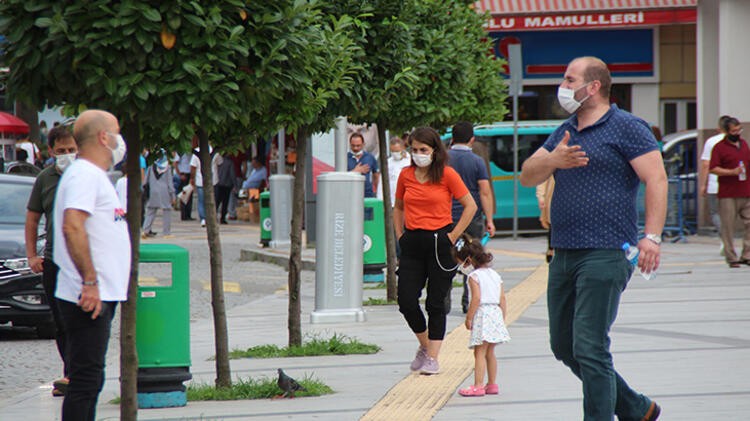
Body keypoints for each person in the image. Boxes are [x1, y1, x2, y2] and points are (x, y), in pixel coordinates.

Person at [519, 56, 666, 421]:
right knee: (564, 346)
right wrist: (554, 160)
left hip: (606, 250)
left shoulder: (627, 126)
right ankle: (635, 407)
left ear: (594, 86)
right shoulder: (565, 131)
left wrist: (652, 237)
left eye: (570, 79)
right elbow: (526, 175)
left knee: (589, 345)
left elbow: (657, 179)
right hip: (564, 252)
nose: (563, 86)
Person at [53, 109, 131, 421]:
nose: (120, 140)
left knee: (90, 379)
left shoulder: (92, 175)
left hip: (96, 293)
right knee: (85, 381)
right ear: (103, 137)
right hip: (86, 296)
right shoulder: (85, 174)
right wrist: (90, 281)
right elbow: (73, 225)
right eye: (117, 131)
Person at [393, 126, 477, 375]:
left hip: (440, 241)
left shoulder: (447, 174)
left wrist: (451, 236)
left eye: (423, 150)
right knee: (406, 300)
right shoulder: (405, 175)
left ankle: (432, 357)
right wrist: (400, 235)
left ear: (435, 151)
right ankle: (425, 345)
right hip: (412, 242)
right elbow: (397, 208)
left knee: (435, 303)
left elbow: (470, 205)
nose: (418, 154)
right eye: (414, 149)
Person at [25, 125, 78, 397]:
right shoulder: (45, 179)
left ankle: (78, 374)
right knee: (60, 320)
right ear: (50, 151)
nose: (67, 155)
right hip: (54, 262)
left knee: (81, 320)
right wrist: (32, 254)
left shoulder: (86, 176)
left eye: (71, 150)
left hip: (81, 263)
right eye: (61, 151)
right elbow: (33, 218)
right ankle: (70, 372)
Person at [452, 233, 510, 397]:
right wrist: (502, 318)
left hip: (483, 314)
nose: (461, 267)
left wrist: (469, 317)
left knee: (479, 352)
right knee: (490, 352)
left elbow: (476, 298)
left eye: (460, 262)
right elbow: (502, 298)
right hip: (496, 313)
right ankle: (491, 384)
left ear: (468, 260)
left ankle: (477, 385)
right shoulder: (494, 274)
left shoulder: (473, 276)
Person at [448, 121, 497, 314]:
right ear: (472, 140)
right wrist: (490, 220)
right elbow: (484, 192)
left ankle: (443, 298)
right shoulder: (477, 161)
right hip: (472, 219)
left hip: (448, 219)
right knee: (473, 258)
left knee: (447, 258)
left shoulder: (444, 160)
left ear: (452, 138)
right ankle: (468, 300)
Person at [709, 116, 750, 268]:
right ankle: (731, 256)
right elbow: (713, 168)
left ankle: (747, 254)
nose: (737, 133)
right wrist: (731, 172)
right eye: (734, 130)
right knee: (728, 226)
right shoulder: (719, 148)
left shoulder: (744, 144)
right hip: (728, 193)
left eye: (739, 130)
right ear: (727, 131)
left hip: (745, 190)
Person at [699, 115, 732, 236]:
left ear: (719, 127)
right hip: (732, 184)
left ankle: (724, 237)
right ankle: (727, 237)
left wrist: (703, 184)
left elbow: (705, 164)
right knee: (729, 213)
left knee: (714, 212)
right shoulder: (736, 141)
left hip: (714, 184)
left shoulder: (711, 141)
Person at [142, 151, 176, 238]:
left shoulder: (151, 165)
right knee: (167, 210)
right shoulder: (167, 167)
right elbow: (170, 183)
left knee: (151, 211)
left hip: (153, 191)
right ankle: (166, 233)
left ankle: (145, 230)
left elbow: (145, 180)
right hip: (164, 191)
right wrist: (173, 195)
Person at [348, 132, 379, 198]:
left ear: (363, 144)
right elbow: (340, 178)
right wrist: (355, 171)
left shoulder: (370, 157)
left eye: (358, 145)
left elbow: (376, 176)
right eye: (353, 145)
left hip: (367, 195)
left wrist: (379, 193)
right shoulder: (344, 158)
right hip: (350, 194)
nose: (355, 148)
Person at [190, 141, 212, 227]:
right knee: (210, 200)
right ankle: (209, 217)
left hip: (200, 180)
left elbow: (193, 167)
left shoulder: (196, 151)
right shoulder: (213, 151)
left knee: (201, 201)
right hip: (211, 180)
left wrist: (192, 178)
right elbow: (219, 163)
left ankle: (203, 218)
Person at [385, 136, 411, 206]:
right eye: (392, 151)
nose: (395, 154)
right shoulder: (388, 162)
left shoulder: (410, 161)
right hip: (392, 201)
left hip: (407, 200)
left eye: (397, 151)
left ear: (403, 148)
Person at [535, 176, 555, 263]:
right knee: (553, 225)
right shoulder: (553, 162)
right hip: (553, 198)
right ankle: (551, 248)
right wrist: (541, 196)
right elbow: (543, 178)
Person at [214, 151, 235, 225]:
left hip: (218, 183)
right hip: (227, 184)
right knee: (225, 202)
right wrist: (234, 184)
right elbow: (232, 174)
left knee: (217, 201)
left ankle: (213, 216)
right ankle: (222, 218)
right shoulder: (230, 163)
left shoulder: (218, 162)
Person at [177, 151, 194, 220]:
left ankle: (188, 214)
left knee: (190, 195)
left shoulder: (193, 152)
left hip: (190, 174)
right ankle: (184, 215)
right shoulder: (181, 153)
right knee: (184, 195)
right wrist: (179, 174)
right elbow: (175, 163)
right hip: (184, 174)